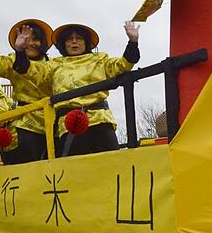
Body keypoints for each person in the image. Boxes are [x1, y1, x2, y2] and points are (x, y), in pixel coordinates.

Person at [11, 21, 140, 156]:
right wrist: (20, 51)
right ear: (63, 43)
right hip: (69, 124)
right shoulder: (54, 65)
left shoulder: (100, 59)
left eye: (79, 38)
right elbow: (29, 70)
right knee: (73, 169)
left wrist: (133, 42)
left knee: (113, 162)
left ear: (86, 42)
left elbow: (122, 65)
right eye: (69, 39)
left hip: (100, 120)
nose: (74, 42)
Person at [0, 15, 53, 162]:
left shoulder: (54, 64)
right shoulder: (13, 61)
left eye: (34, 39)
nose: (30, 43)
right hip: (26, 121)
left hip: (53, 119)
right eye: (25, 39)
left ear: (42, 43)